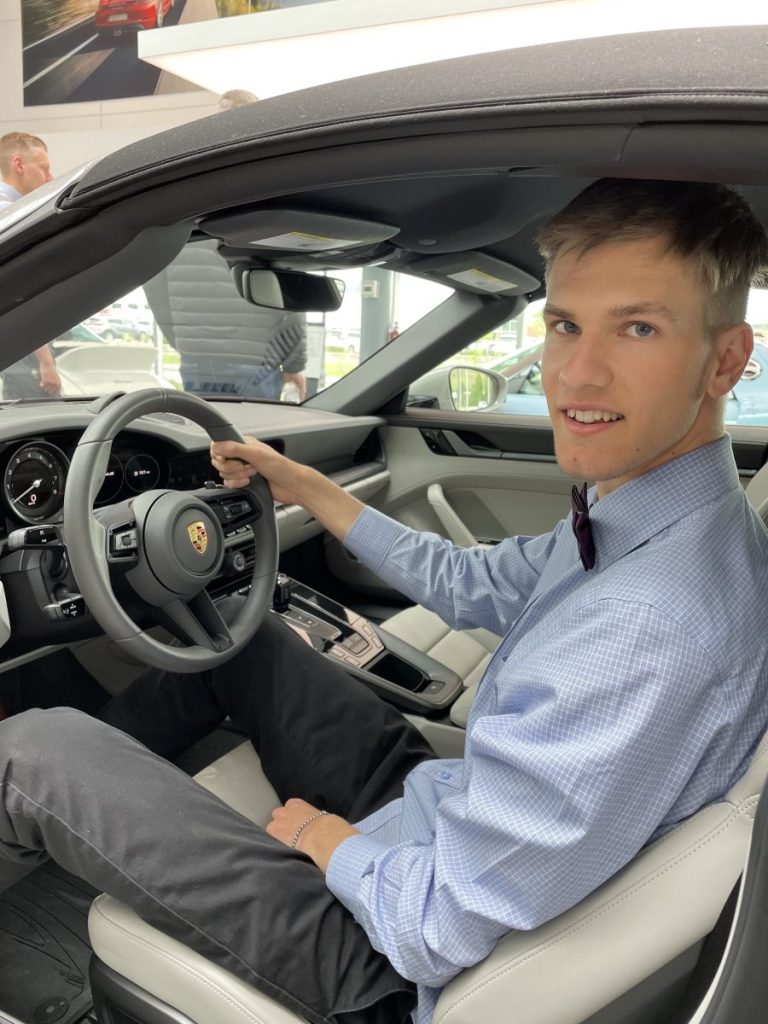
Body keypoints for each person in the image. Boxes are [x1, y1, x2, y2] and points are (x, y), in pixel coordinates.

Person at [2, 178, 768, 1024]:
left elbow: (431, 928)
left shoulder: (649, 624)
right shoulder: (661, 522)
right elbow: (476, 585)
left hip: (388, 961)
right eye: (564, 325)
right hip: (448, 816)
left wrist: (322, 840)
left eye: (638, 327)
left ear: (725, 360)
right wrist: (307, 487)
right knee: (240, 641)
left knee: (31, 751)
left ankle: (42, 823)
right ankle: (67, 831)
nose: (578, 374)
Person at [144, 239, 308, 401]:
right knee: (256, 418)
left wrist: (184, 339)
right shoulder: (267, 227)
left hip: (197, 360)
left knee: (204, 417)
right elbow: (291, 296)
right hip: (258, 360)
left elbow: (155, 290)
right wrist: (294, 365)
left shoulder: (177, 227)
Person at [0, 132, 61, 400]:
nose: (49, 177)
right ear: (19, 165)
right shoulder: (11, 216)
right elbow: (20, 289)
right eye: (43, 168)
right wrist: (45, 362)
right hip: (26, 350)